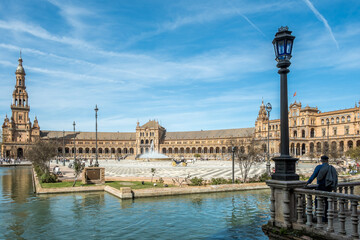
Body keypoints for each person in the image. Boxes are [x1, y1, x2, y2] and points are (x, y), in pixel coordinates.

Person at [306, 155, 338, 222]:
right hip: (328, 187)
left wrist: (307, 183)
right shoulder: (331, 168)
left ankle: (318, 217)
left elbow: (313, 176)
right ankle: (326, 218)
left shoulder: (319, 167)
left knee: (317, 201)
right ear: (327, 160)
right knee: (327, 202)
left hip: (321, 186)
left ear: (321, 160)